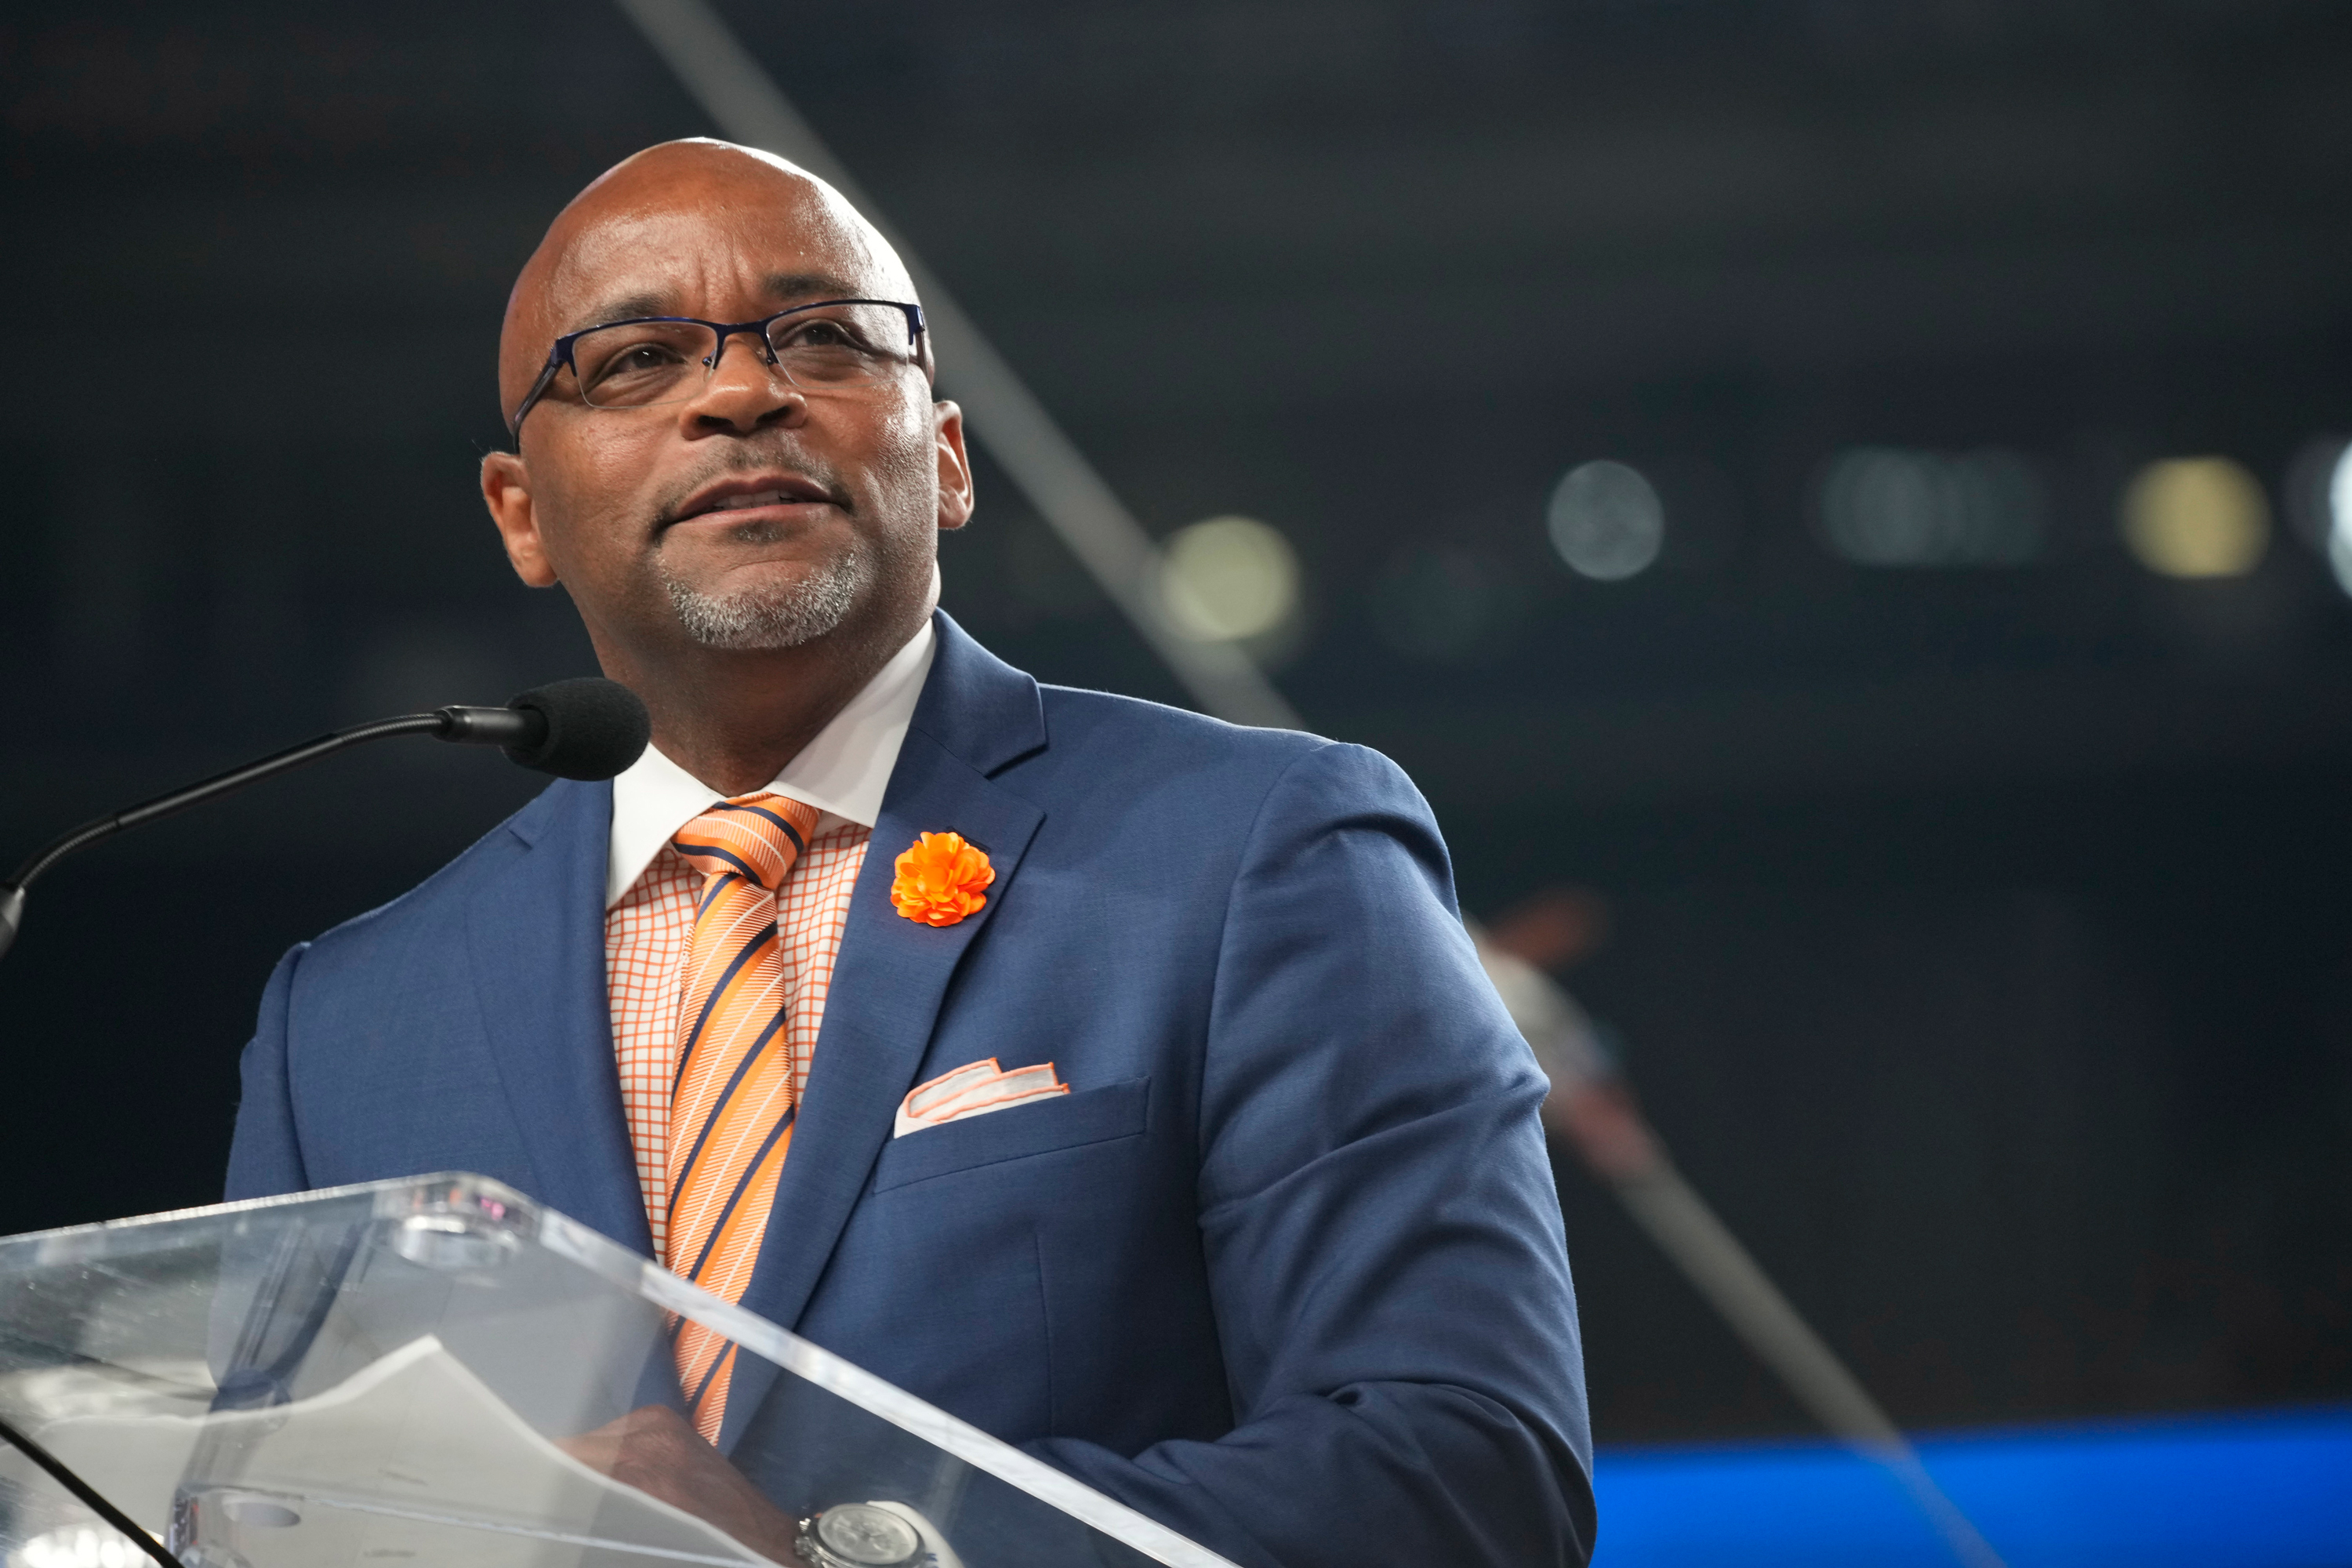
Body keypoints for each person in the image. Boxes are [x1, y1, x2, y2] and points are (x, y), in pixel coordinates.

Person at [224, 139, 1594, 1568]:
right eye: (633, 361)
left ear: (941, 456)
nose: (744, 393)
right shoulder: (348, 1026)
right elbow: (263, 1522)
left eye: (822, 337)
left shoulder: (1261, 853)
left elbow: (1468, 1480)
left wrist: (834, 1555)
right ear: (522, 514)